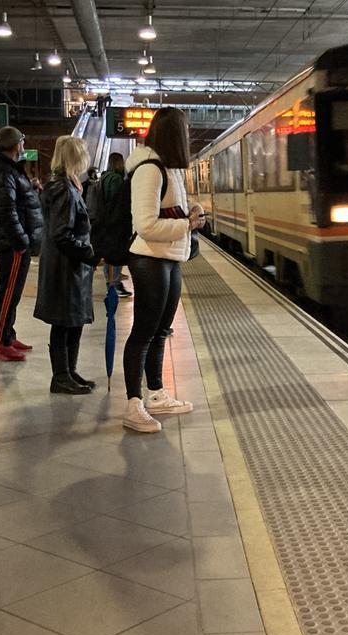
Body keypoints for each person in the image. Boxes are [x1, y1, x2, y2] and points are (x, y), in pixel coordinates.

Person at [122, 108, 204, 433]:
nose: (189, 135)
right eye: (185, 130)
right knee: (143, 332)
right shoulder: (150, 170)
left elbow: (167, 212)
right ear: (174, 134)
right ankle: (133, 404)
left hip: (169, 258)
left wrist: (190, 212)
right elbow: (145, 225)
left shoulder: (170, 170)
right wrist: (186, 223)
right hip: (150, 260)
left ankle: (155, 394)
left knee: (161, 331)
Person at [36, 136, 98, 394]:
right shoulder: (63, 189)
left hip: (69, 266)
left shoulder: (63, 185)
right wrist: (89, 254)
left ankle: (69, 371)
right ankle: (61, 376)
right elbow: (62, 234)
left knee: (72, 322)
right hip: (66, 267)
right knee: (63, 324)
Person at [0, 125, 43, 362]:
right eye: (23, 143)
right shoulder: (2, 172)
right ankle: (1, 342)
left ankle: (8, 334)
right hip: (12, 242)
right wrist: (21, 241)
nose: (24, 147)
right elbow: (6, 210)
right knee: (8, 291)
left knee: (13, 291)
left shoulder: (7, 169)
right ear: (17, 145)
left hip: (14, 240)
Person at [98, 152, 131, 298]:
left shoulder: (104, 177)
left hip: (105, 222)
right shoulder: (116, 179)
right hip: (115, 223)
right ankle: (114, 284)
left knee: (109, 254)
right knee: (116, 253)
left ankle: (112, 282)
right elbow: (118, 203)